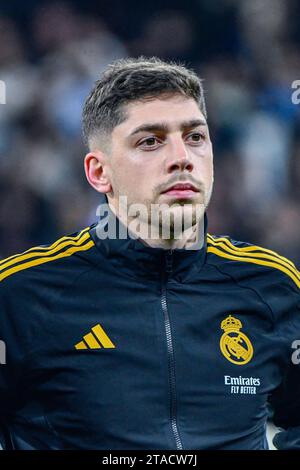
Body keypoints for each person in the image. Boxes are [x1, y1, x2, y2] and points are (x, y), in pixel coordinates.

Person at [0, 57, 299, 450]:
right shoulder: (20, 294)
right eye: (150, 141)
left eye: (195, 137)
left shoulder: (273, 285)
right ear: (98, 172)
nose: (182, 157)